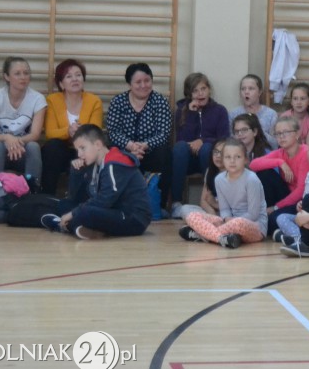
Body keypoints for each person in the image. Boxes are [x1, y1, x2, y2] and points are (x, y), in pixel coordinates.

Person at [40, 124, 150, 239]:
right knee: (65, 205)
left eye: (83, 148)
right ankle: (82, 228)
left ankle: (62, 226)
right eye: (77, 150)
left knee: (84, 213)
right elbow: (74, 198)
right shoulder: (95, 165)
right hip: (113, 211)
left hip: (134, 218)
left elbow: (105, 199)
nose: (79, 154)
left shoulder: (113, 163)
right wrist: (76, 172)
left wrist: (73, 214)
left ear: (97, 144)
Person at [104, 62, 172, 206]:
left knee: (165, 152)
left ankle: (159, 205)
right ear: (129, 84)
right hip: (125, 149)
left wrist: (143, 146)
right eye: (138, 82)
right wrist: (130, 146)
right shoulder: (118, 102)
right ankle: (116, 203)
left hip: (151, 151)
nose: (143, 85)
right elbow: (113, 132)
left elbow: (163, 133)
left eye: (147, 81)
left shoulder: (160, 102)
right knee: (110, 151)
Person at [179, 138, 267, 249]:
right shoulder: (219, 179)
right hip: (229, 221)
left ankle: (202, 234)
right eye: (228, 157)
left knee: (238, 223)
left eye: (238, 157)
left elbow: (253, 214)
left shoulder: (252, 179)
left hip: (254, 226)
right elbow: (224, 209)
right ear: (223, 160)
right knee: (192, 216)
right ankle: (223, 238)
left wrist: (230, 222)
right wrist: (226, 219)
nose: (232, 161)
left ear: (245, 159)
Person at [0, 57, 46, 188]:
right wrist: (7, 138)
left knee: (34, 146)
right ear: (6, 77)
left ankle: (31, 194)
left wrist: (15, 143)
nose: (23, 77)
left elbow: (35, 135)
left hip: (21, 150)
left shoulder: (37, 99)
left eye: (26, 73)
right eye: (17, 73)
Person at [41, 58, 103, 195]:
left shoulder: (94, 101)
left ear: (83, 79)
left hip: (85, 150)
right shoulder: (52, 100)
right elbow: (50, 133)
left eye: (78, 75)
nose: (75, 79)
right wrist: (68, 131)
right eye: (69, 76)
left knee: (94, 149)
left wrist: (80, 134)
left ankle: (85, 200)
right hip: (61, 151)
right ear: (61, 84)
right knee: (52, 147)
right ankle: (47, 196)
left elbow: (95, 132)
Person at [170, 73, 229, 215]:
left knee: (208, 148)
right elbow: (182, 140)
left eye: (203, 89)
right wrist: (191, 115)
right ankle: (176, 203)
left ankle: (211, 198)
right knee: (179, 148)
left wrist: (202, 141)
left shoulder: (220, 110)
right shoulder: (182, 111)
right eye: (195, 91)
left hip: (208, 159)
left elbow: (224, 139)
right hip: (187, 160)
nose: (200, 94)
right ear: (189, 94)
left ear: (209, 90)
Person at [249, 116, 309, 234]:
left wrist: (276, 207)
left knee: (272, 220)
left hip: (301, 201)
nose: (281, 137)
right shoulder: (280, 153)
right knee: (264, 173)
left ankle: (284, 230)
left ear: (297, 134)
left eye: (286, 132)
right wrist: (280, 162)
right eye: (278, 134)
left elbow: (301, 190)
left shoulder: (306, 153)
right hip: (286, 195)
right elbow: (253, 165)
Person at [228, 74, 278, 149]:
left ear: (260, 92)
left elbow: (275, 144)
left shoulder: (271, 114)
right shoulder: (233, 114)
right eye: (243, 89)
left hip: (264, 155)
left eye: (251, 89)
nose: (246, 92)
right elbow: (230, 142)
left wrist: (258, 130)